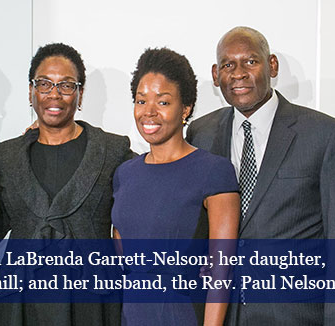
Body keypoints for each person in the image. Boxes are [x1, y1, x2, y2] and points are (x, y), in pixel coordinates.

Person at [186, 26, 335, 325]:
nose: (239, 73)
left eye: (250, 61)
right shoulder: (200, 133)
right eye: (228, 65)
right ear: (216, 75)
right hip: (220, 315)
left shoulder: (323, 135)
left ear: (272, 65)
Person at [0, 43, 134, 326]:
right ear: (31, 91)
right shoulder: (4, 156)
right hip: (21, 298)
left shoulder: (112, 151)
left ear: (80, 95)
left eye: (66, 85)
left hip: (92, 298)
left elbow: (152, 194)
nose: (54, 94)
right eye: (44, 84)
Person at [111, 48, 240, 326]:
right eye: (141, 100)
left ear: (185, 108)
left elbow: (222, 271)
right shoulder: (125, 173)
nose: (149, 112)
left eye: (163, 102)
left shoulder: (214, 171)